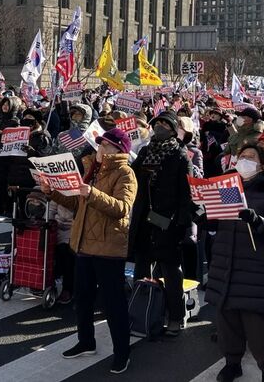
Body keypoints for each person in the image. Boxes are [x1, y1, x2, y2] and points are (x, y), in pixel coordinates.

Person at [41, 127, 137, 374]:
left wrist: (92, 193)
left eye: (105, 145)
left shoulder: (125, 174)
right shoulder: (92, 171)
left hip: (107, 247)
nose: (100, 149)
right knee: (82, 299)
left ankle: (122, 353)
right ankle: (86, 341)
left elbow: (122, 208)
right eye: (100, 145)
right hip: (83, 244)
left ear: (117, 150)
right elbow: (77, 202)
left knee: (113, 303)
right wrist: (52, 192)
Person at [206, 144, 264, 382]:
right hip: (226, 268)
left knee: (260, 328)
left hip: (255, 271)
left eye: (250, 157)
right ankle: (232, 363)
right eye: (241, 157)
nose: (244, 161)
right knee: (227, 322)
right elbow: (220, 221)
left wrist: (257, 219)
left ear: (261, 165)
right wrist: (203, 218)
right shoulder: (229, 188)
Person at [130, 111, 193, 336]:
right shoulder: (146, 151)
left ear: (174, 129)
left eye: (166, 124)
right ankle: (139, 311)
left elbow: (187, 194)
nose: (160, 127)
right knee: (141, 267)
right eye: (158, 123)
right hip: (144, 219)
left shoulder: (179, 155)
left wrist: (181, 223)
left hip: (168, 220)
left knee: (170, 271)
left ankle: (176, 316)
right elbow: (133, 178)